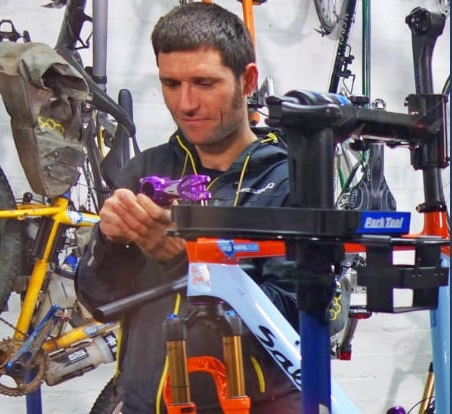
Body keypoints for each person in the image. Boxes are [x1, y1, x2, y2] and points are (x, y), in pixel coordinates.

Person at [75, 2, 301, 413]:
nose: (186, 104)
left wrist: (190, 264)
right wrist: (111, 242)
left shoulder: (289, 180)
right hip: (146, 404)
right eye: (171, 84)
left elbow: (302, 323)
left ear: (247, 80)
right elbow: (96, 300)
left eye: (204, 82)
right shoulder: (147, 169)